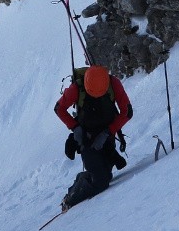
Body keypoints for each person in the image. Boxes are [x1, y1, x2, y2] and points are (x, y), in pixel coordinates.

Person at [54, 64, 133, 210]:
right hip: (87, 140)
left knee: (105, 176)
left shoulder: (113, 83)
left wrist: (108, 133)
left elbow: (127, 112)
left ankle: (82, 179)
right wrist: (76, 128)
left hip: (106, 139)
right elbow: (59, 108)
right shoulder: (77, 88)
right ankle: (72, 198)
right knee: (100, 181)